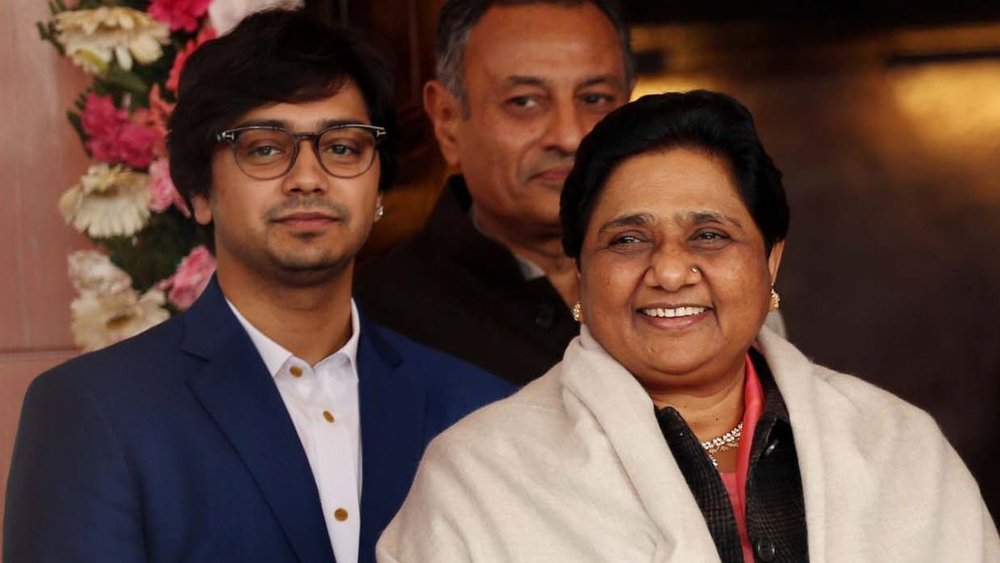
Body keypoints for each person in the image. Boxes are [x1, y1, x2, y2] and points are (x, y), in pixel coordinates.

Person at [377, 91, 1000, 561]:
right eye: (628, 239)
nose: (670, 272)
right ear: (581, 270)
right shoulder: (481, 474)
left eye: (709, 235)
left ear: (770, 260)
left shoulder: (897, 448)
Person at [4, 10, 511, 563]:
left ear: (379, 190)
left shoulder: (476, 406)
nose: (308, 178)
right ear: (200, 192)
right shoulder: (96, 411)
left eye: (342, 147)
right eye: (265, 148)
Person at [355, 0, 634, 384]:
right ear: (447, 120)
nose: (569, 137)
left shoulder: (682, 284)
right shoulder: (368, 322)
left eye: (595, 99)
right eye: (524, 101)